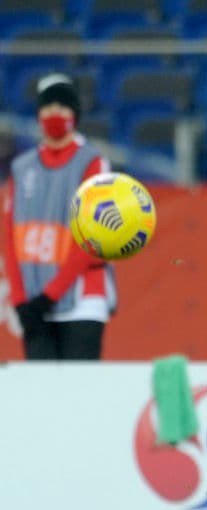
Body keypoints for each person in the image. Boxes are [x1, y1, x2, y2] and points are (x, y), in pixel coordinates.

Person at [4, 73, 114, 360]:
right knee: (43, 397)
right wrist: (20, 300)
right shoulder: (21, 167)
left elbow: (91, 237)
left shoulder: (92, 162)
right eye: (48, 106)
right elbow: (9, 237)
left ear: (75, 114)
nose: (55, 113)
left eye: (63, 106)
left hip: (81, 301)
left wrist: (51, 295)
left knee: (79, 393)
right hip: (33, 304)